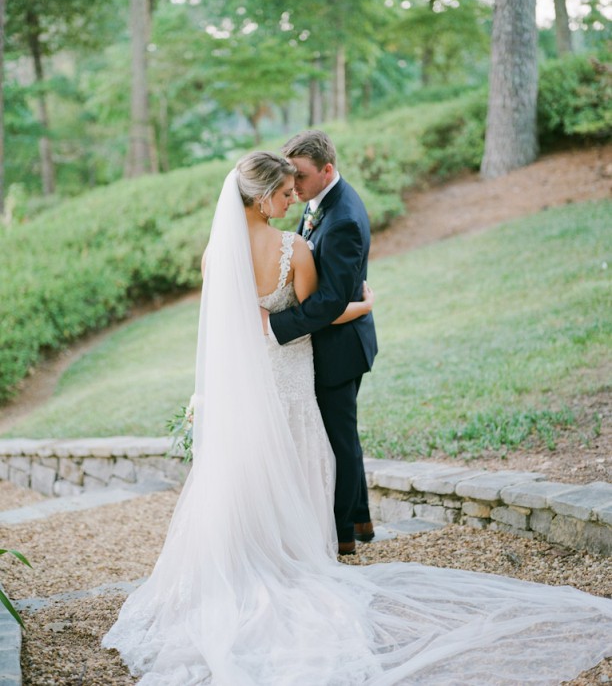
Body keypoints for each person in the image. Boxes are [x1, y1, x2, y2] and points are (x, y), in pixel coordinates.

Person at [103, 151, 612, 686]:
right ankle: (297, 554)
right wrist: (364, 307)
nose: (292, 198)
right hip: (289, 375)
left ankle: (248, 556)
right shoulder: (291, 248)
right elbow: (312, 315)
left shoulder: (216, 256)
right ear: (259, 197)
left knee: (246, 464)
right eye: (283, 192)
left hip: (242, 382)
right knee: (302, 457)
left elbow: (229, 325)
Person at [264, 130, 377, 556]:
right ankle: (358, 518)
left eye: (301, 176)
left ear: (327, 169)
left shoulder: (344, 217)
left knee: (339, 442)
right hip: (330, 342)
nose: (292, 185)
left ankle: (343, 533)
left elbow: (331, 301)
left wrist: (273, 327)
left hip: (339, 349)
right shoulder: (317, 203)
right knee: (337, 436)